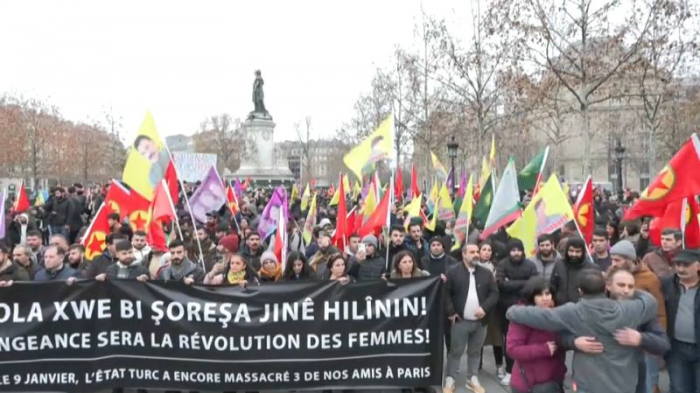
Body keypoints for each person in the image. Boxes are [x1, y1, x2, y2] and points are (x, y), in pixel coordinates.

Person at [506, 271, 658, 393]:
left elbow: (540, 315)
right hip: (624, 383)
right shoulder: (630, 310)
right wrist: (632, 290)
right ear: (606, 287)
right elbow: (651, 301)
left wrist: (513, 310)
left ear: (580, 290)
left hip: (589, 383)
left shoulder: (574, 311)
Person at [562, 268, 669, 393]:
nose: (626, 290)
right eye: (621, 285)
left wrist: (641, 339)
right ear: (608, 286)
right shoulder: (587, 307)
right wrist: (574, 342)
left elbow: (663, 344)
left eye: (631, 286)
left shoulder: (640, 311)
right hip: (589, 381)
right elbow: (560, 337)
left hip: (625, 382)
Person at [443, 243, 499, 393]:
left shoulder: (486, 273)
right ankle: (450, 379)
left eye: (477, 252)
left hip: (481, 322)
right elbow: (446, 294)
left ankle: (472, 378)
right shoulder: (453, 272)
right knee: (456, 351)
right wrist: (451, 312)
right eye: (472, 252)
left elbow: (494, 294)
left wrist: (484, 308)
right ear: (463, 254)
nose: (476, 254)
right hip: (460, 321)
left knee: (475, 351)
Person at [506, 276, 566, 393]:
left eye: (547, 294)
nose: (545, 298)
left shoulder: (556, 313)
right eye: (539, 295)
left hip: (554, 379)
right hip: (531, 383)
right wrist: (543, 349)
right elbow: (512, 349)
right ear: (531, 296)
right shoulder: (522, 316)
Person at [495, 238, 538, 386]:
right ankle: (509, 370)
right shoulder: (502, 264)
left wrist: (511, 282)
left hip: (527, 308)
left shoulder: (530, 265)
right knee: (510, 340)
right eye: (513, 250)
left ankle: (526, 370)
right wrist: (524, 282)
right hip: (506, 309)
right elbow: (501, 285)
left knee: (528, 340)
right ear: (509, 251)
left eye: (519, 250)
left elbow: (534, 284)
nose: (516, 253)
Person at [661, 249, 700, 393]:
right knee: (679, 388)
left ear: (698, 266)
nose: (680, 269)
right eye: (677, 264)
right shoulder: (667, 284)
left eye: (685, 265)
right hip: (676, 348)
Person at [476, 241, 505, 379]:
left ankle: (499, 366)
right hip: (477, 306)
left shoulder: (496, 267)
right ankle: (477, 364)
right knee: (478, 337)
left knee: (496, 338)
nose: (486, 252)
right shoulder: (473, 266)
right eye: (484, 249)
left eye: (489, 250)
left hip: (493, 308)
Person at [550, 236, 601, 305]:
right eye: (571, 251)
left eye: (578, 251)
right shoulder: (559, 264)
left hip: (582, 309)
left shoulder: (593, 268)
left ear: (583, 252)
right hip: (560, 308)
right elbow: (552, 285)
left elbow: (597, 293)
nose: (574, 254)